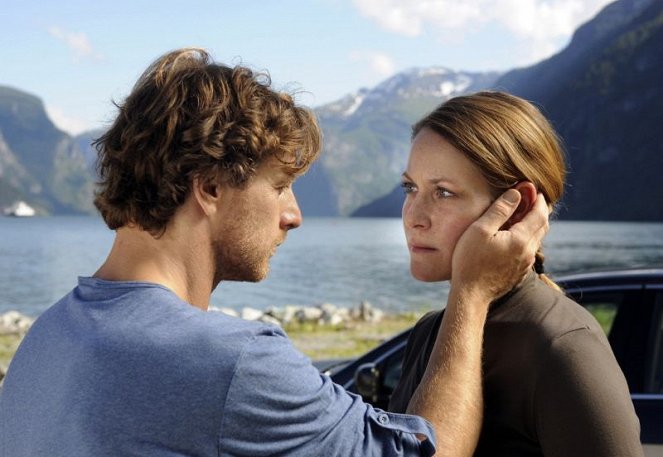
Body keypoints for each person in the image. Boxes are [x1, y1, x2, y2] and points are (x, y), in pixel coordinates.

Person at [0, 50, 549, 457]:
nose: (294, 214)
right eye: (281, 184)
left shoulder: (50, 336)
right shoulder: (231, 361)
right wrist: (473, 292)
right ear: (211, 187)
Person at [388, 91, 643, 456]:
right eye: (410, 187)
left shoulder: (564, 346)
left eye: (443, 192)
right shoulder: (429, 332)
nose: (414, 215)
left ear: (515, 207)